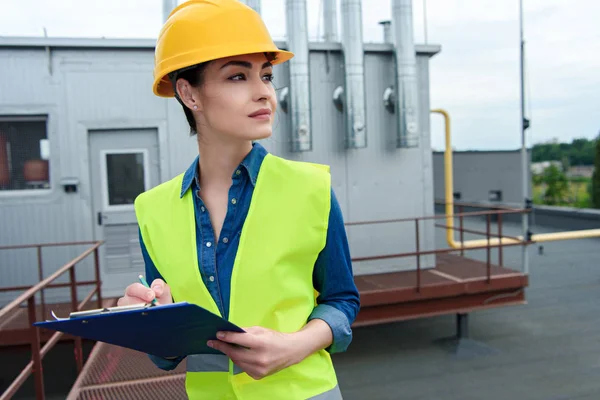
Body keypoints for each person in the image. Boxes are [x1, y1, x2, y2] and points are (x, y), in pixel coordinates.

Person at [117, 0, 360, 398]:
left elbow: (341, 299)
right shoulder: (152, 209)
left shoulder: (310, 188)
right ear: (189, 94)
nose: (264, 92)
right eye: (237, 77)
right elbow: (168, 352)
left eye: (265, 76)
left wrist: (293, 346)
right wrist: (146, 319)